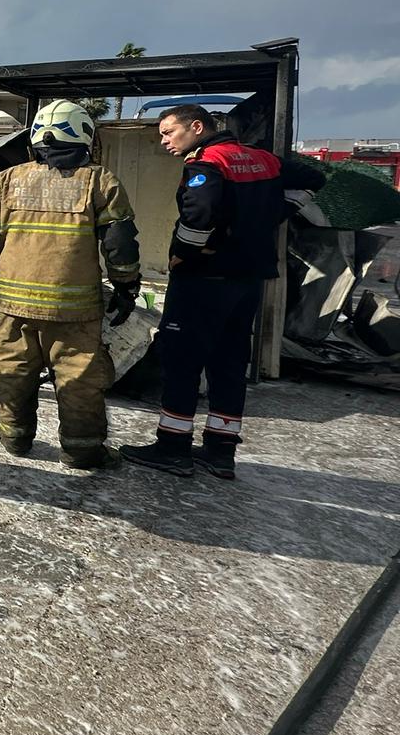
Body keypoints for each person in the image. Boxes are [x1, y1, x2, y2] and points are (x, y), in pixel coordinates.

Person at [120, 105, 325, 479]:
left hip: (203, 279)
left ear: (196, 127)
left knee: (181, 360)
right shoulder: (263, 160)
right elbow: (314, 177)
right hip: (247, 281)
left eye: (169, 132)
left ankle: (172, 447)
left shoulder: (208, 164)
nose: (164, 140)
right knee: (229, 363)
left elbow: (198, 218)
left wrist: (182, 256)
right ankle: (220, 451)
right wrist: (278, 211)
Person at [0, 99, 140, 469]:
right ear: (84, 136)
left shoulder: (8, 179)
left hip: (14, 304)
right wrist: (127, 286)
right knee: (78, 377)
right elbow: (119, 243)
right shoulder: (100, 180)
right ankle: (82, 449)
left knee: (13, 369)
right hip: (73, 308)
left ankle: (15, 437)